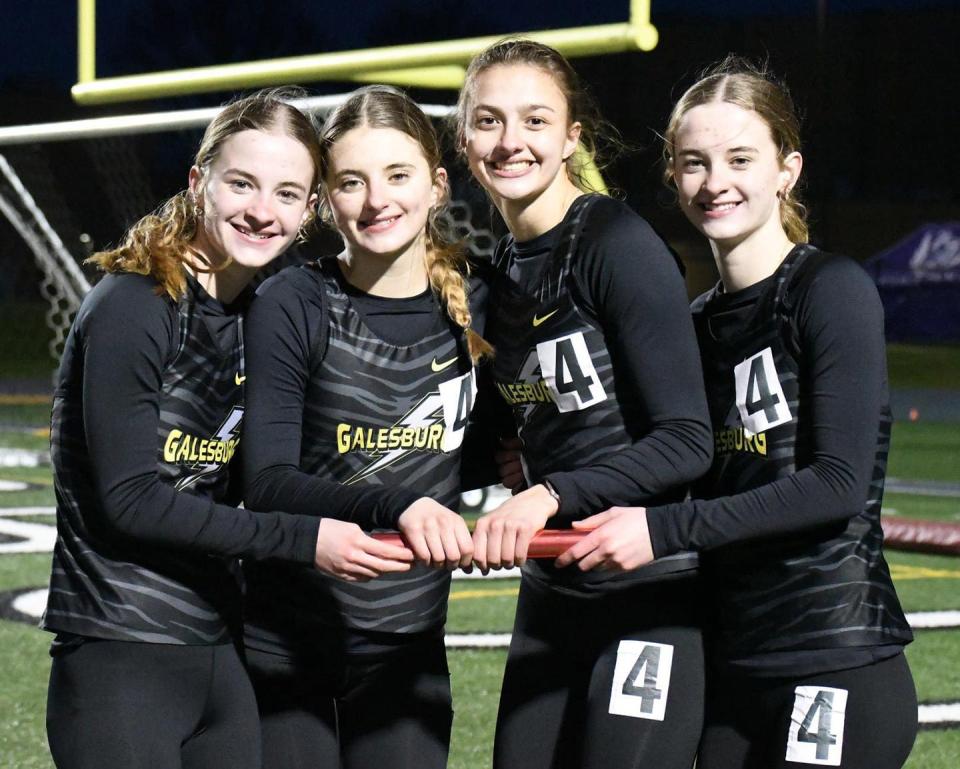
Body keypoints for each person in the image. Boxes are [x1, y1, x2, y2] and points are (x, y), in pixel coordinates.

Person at [558, 58, 917, 769]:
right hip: (733, 666)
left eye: (740, 158)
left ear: (786, 169)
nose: (715, 182)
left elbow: (835, 484)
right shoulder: (691, 326)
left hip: (834, 657)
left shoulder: (828, 289)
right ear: (672, 177)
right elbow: (671, 466)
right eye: (694, 162)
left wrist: (660, 529)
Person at [41, 88, 415, 769]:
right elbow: (132, 500)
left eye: (285, 193)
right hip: (122, 655)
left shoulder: (260, 315)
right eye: (241, 183)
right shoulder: (136, 304)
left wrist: (468, 463)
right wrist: (305, 540)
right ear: (199, 181)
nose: (260, 210)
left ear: (308, 211)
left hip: (222, 657)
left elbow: (278, 475)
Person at [456, 39, 714, 769]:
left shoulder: (615, 244)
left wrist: (550, 490)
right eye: (490, 122)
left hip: (646, 592)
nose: (512, 142)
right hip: (553, 588)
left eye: (536, 121)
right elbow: (520, 426)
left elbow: (687, 440)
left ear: (572, 137)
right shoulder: (496, 275)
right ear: (465, 140)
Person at [239, 84, 492, 769]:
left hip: (408, 648)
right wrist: (398, 504)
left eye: (398, 175)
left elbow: (501, 439)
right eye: (352, 181)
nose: (377, 199)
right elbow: (266, 480)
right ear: (324, 201)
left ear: (438, 185)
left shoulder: (480, 302)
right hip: (289, 644)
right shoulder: (292, 300)